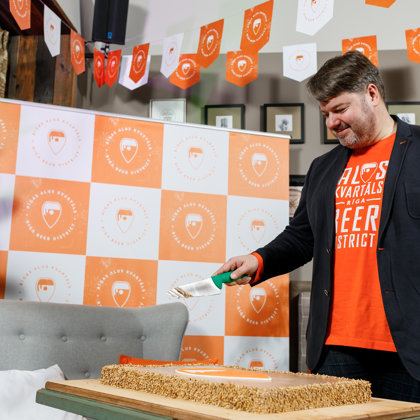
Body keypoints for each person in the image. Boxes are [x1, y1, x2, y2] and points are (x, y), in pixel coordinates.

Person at [215, 50, 420, 403]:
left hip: (410, 345)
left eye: (339, 109)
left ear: (372, 94)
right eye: (325, 113)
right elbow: (302, 236)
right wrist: (258, 260)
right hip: (335, 346)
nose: (331, 123)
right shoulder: (323, 168)